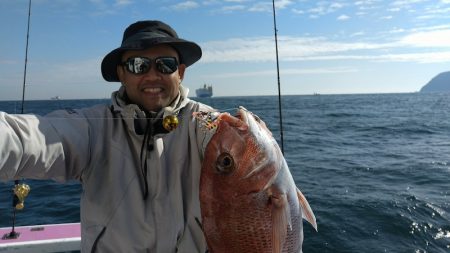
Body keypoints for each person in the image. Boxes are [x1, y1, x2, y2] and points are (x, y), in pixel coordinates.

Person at [0, 20, 213, 252]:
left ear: (180, 73)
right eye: (138, 65)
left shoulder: (209, 125)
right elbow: (27, 138)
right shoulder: (92, 128)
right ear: (122, 74)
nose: (153, 75)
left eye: (165, 64)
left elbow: (249, 157)